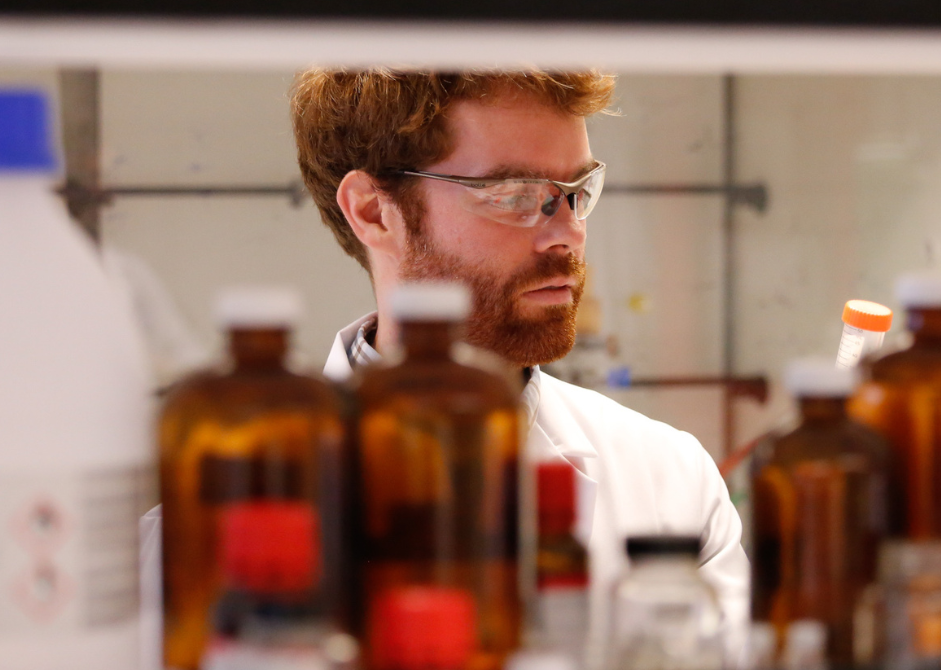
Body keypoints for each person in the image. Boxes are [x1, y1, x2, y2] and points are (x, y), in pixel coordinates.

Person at [290, 69, 749, 647]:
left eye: (577, 193)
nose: (569, 235)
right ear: (374, 212)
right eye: (515, 196)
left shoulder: (669, 481)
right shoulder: (235, 502)